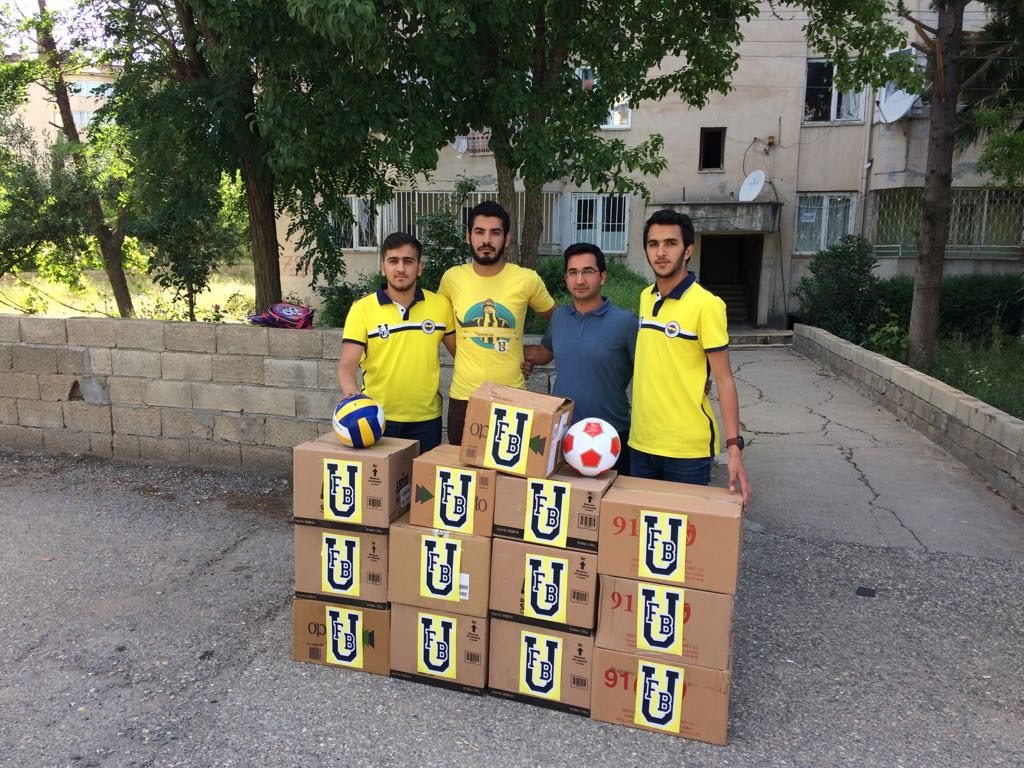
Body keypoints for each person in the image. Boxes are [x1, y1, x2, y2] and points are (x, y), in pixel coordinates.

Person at [629, 209, 752, 507]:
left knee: (681, 532)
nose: (661, 252)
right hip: (641, 443)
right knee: (643, 531)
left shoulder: (707, 305)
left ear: (688, 250)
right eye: (653, 244)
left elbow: (724, 379)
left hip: (686, 452)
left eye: (670, 243)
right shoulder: (646, 297)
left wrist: (734, 448)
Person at [439, 200, 556, 444]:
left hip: (512, 397)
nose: (486, 240)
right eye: (479, 231)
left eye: (495, 232)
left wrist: (539, 354)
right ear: (468, 236)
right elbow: (440, 323)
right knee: (463, 468)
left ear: (507, 238)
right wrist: (462, 352)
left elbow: (561, 321)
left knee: (510, 469)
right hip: (464, 399)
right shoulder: (452, 278)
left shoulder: (526, 279)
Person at [522, 242, 637, 476]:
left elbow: (650, 370)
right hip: (563, 434)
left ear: (602, 277)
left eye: (587, 271)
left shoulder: (626, 322)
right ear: (566, 278)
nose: (580, 280)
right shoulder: (559, 317)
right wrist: (517, 357)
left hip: (610, 437)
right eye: (573, 272)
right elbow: (543, 353)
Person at [338, 232, 454, 453]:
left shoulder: (440, 306)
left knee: (422, 477)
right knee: (379, 477)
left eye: (408, 261)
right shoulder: (362, 309)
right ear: (383, 267)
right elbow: (347, 365)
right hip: (377, 419)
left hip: (427, 420)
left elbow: (463, 354)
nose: (400, 268)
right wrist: (353, 397)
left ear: (419, 267)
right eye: (393, 261)